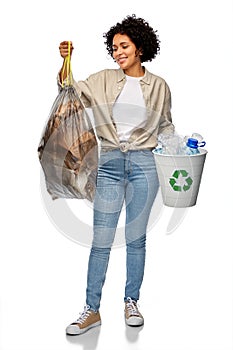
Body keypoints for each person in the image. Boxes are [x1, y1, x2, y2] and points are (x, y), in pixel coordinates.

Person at [58, 14, 174, 336]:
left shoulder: (160, 86)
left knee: (136, 238)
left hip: (144, 165)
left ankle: (131, 301)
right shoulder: (103, 79)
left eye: (124, 46)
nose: (117, 52)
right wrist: (66, 61)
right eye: (113, 48)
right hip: (109, 162)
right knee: (101, 240)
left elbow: (165, 125)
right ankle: (91, 310)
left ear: (140, 48)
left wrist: (175, 147)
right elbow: (70, 89)